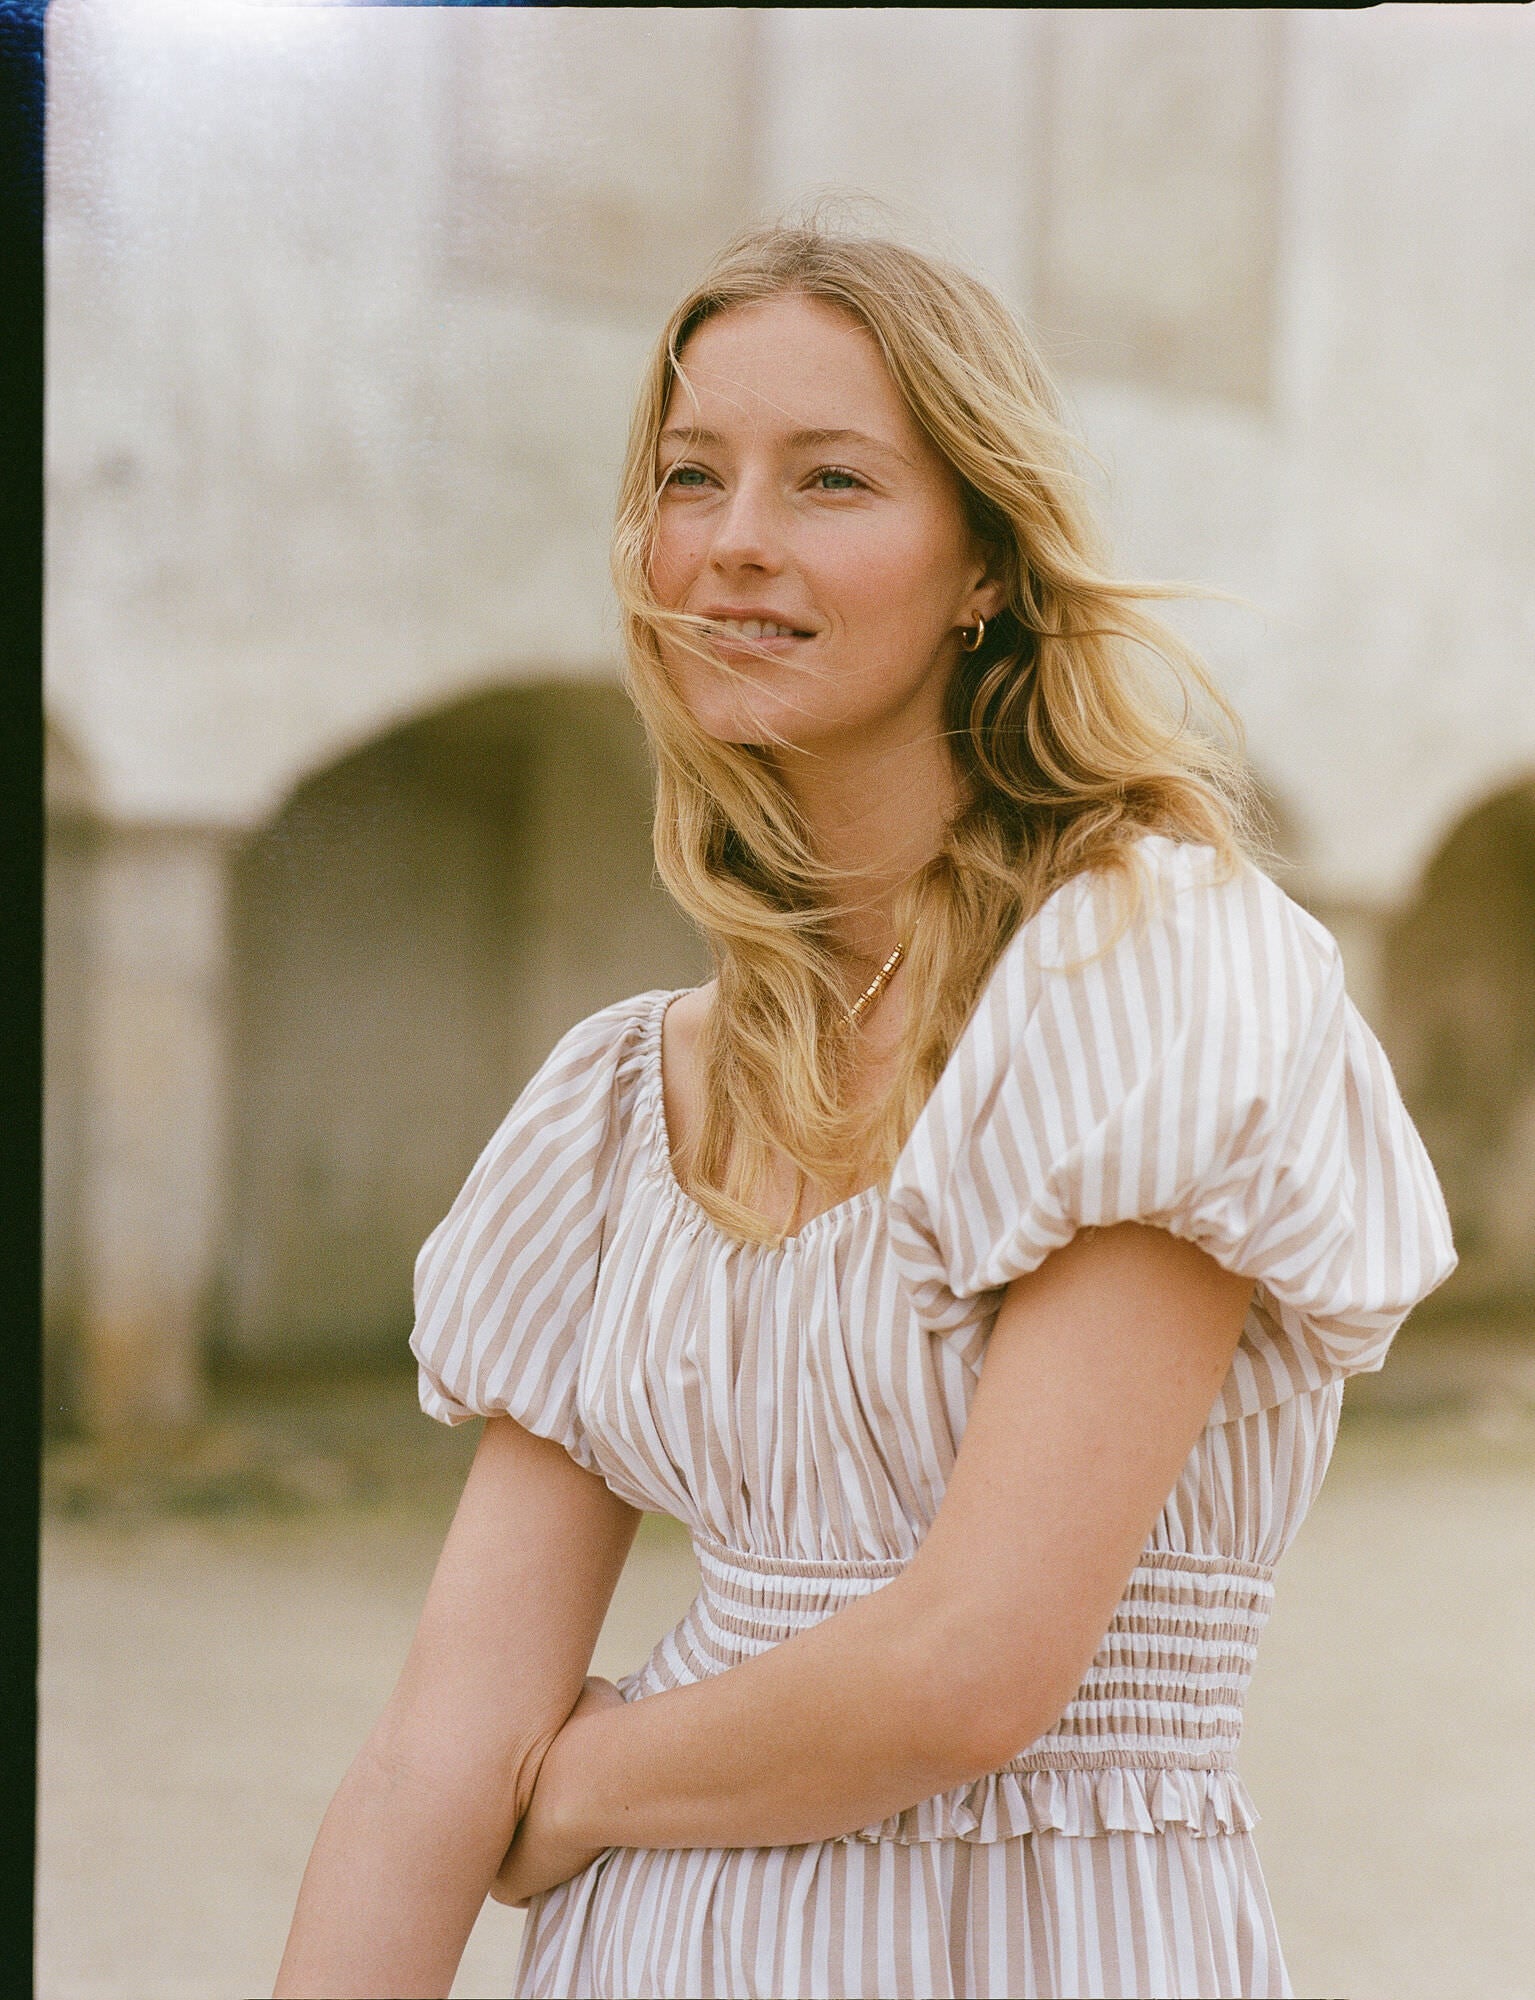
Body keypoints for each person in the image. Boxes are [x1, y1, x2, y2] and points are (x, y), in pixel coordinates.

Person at [275, 223, 1454, 2000]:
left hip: (1043, 1943)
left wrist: (576, 1784)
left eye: (830, 478)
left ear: (983, 560)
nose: (734, 538)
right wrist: (480, 1806)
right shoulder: (621, 1103)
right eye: (691, 476)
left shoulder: (1155, 976)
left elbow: (971, 1672)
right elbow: (429, 1761)